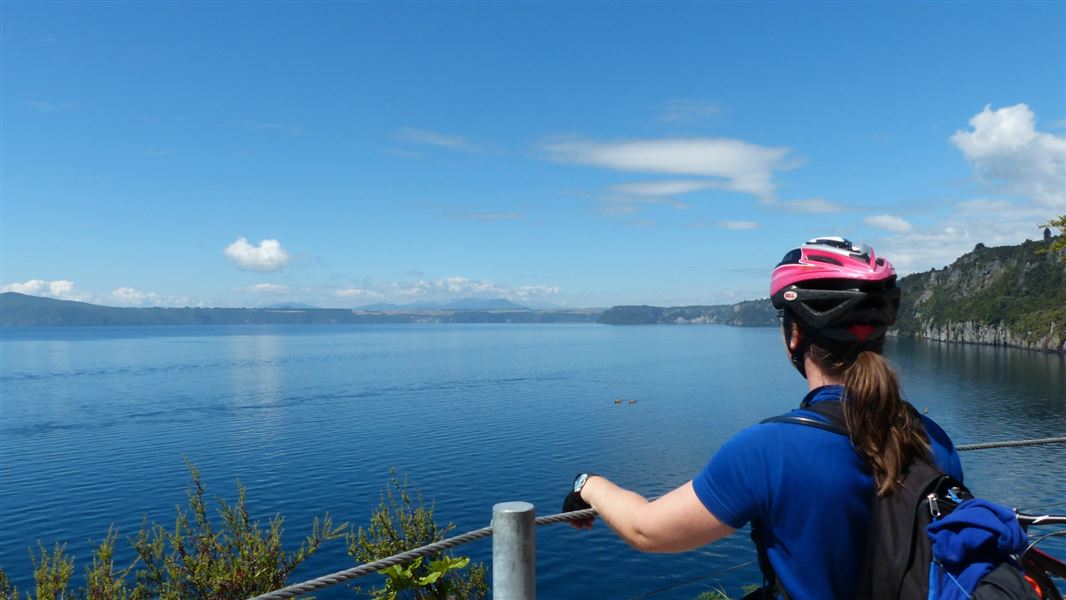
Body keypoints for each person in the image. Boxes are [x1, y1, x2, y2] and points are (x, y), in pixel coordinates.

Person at [563, 236, 964, 600]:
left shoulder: (770, 450)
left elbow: (646, 530)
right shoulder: (931, 438)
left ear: (794, 335)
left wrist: (589, 485)